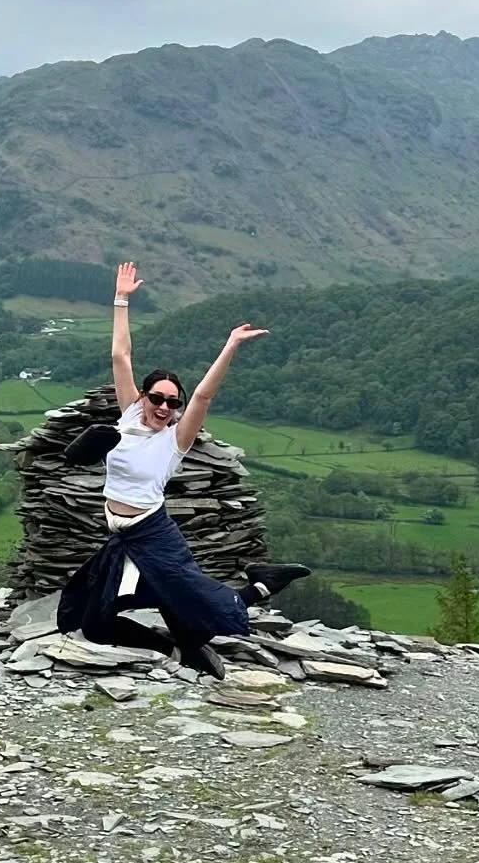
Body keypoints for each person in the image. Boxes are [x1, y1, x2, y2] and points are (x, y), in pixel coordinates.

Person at [56, 260, 310, 678]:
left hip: (154, 533)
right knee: (95, 623)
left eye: (173, 403)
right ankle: (174, 648)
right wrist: (121, 299)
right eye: (158, 398)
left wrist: (230, 345)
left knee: (204, 605)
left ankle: (262, 583)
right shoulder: (128, 418)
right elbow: (120, 354)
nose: (164, 407)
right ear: (143, 396)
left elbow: (205, 396)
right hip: (120, 538)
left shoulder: (174, 440)